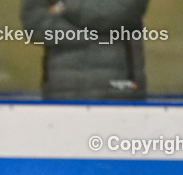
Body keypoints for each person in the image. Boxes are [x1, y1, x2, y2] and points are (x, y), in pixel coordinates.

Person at [21, 0, 149, 100]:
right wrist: (88, 36)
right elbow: (33, 22)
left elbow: (120, 12)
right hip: (61, 91)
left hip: (118, 93)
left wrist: (62, 5)